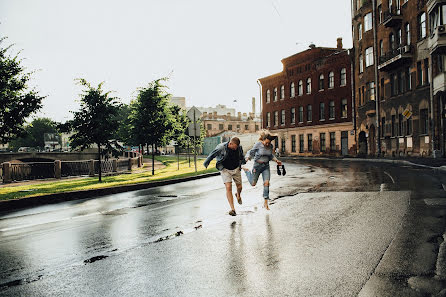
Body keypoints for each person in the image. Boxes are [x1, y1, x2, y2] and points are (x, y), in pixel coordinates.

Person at [203, 137, 246, 216]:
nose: (236, 148)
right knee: (228, 187)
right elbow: (212, 154)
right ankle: (233, 209)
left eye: (237, 147)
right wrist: (206, 163)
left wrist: (243, 163)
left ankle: (238, 195)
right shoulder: (221, 147)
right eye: (235, 147)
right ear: (230, 144)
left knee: (239, 187)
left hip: (236, 168)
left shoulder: (239, 148)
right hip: (225, 169)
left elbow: (241, 157)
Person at [243, 130, 282, 210]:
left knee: (266, 183)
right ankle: (247, 171)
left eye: (269, 143)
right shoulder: (258, 144)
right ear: (263, 140)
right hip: (257, 166)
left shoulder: (270, 146)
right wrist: (247, 158)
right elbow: (251, 152)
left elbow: (270, 155)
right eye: (266, 143)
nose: (267, 144)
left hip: (266, 167)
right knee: (253, 183)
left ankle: (266, 202)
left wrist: (276, 160)